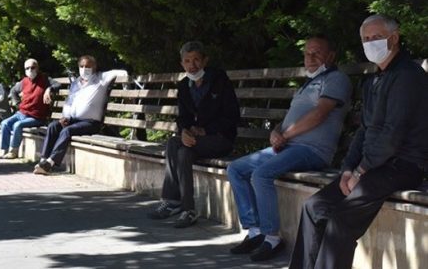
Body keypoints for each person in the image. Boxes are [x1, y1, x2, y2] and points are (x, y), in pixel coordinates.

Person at [289, 15, 428, 269]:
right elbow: (364, 131)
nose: (370, 43)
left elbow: (393, 133)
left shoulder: (408, 76)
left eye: (376, 38)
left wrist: (361, 171)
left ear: (394, 38)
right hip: (373, 165)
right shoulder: (374, 79)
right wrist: (347, 170)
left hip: (402, 165)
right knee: (314, 206)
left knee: (340, 222)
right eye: (365, 39)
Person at [226, 36, 352, 261]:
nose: (310, 58)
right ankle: (255, 231)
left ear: (331, 56)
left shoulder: (336, 79)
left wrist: (284, 135)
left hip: (312, 150)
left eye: (317, 53)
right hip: (288, 146)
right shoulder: (306, 84)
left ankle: (272, 238)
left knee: (261, 174)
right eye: (307, 53)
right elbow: (287, 120)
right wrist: (275, 132)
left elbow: (319, 115)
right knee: (235, 169)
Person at [147, 41, 240, 228]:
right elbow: (183, 117)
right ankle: (184, 208)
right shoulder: (184, 86)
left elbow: (232, 116)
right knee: (179, 148)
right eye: (187, 61)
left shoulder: (219, 81)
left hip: (220, 139)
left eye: (196, 60)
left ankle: (178, 204)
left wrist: (205, 130)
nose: (192, 65)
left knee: (178, 148)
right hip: (196, 141)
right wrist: (184, 132)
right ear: (182, 64)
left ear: (205, 60)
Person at [34, 55, 128, 174]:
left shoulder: (101, 78)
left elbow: (121, 72)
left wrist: (125, 84)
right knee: (53, 126)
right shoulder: (76, 83)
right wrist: (65, 117)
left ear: (95, 67)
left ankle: (50, 163)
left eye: (88, 66)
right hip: (72, 120)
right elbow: (70, 103)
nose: (84, 69)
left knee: (66, 131)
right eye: (82, 66)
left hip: (91, 122)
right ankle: (43, 160)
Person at [0, 58, 61, 159]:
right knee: (4, 123)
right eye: (27, 68)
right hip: (21, 113)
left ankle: (13, 151)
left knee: (17, 125)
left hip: (36, 117)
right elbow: (13, 91)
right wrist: (18, 103)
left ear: (37, 68)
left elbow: (58, 84)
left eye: (32, 67)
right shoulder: (24, 81)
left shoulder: (44, 78)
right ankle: (4, 150)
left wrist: (49, 88)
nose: (30, 70)